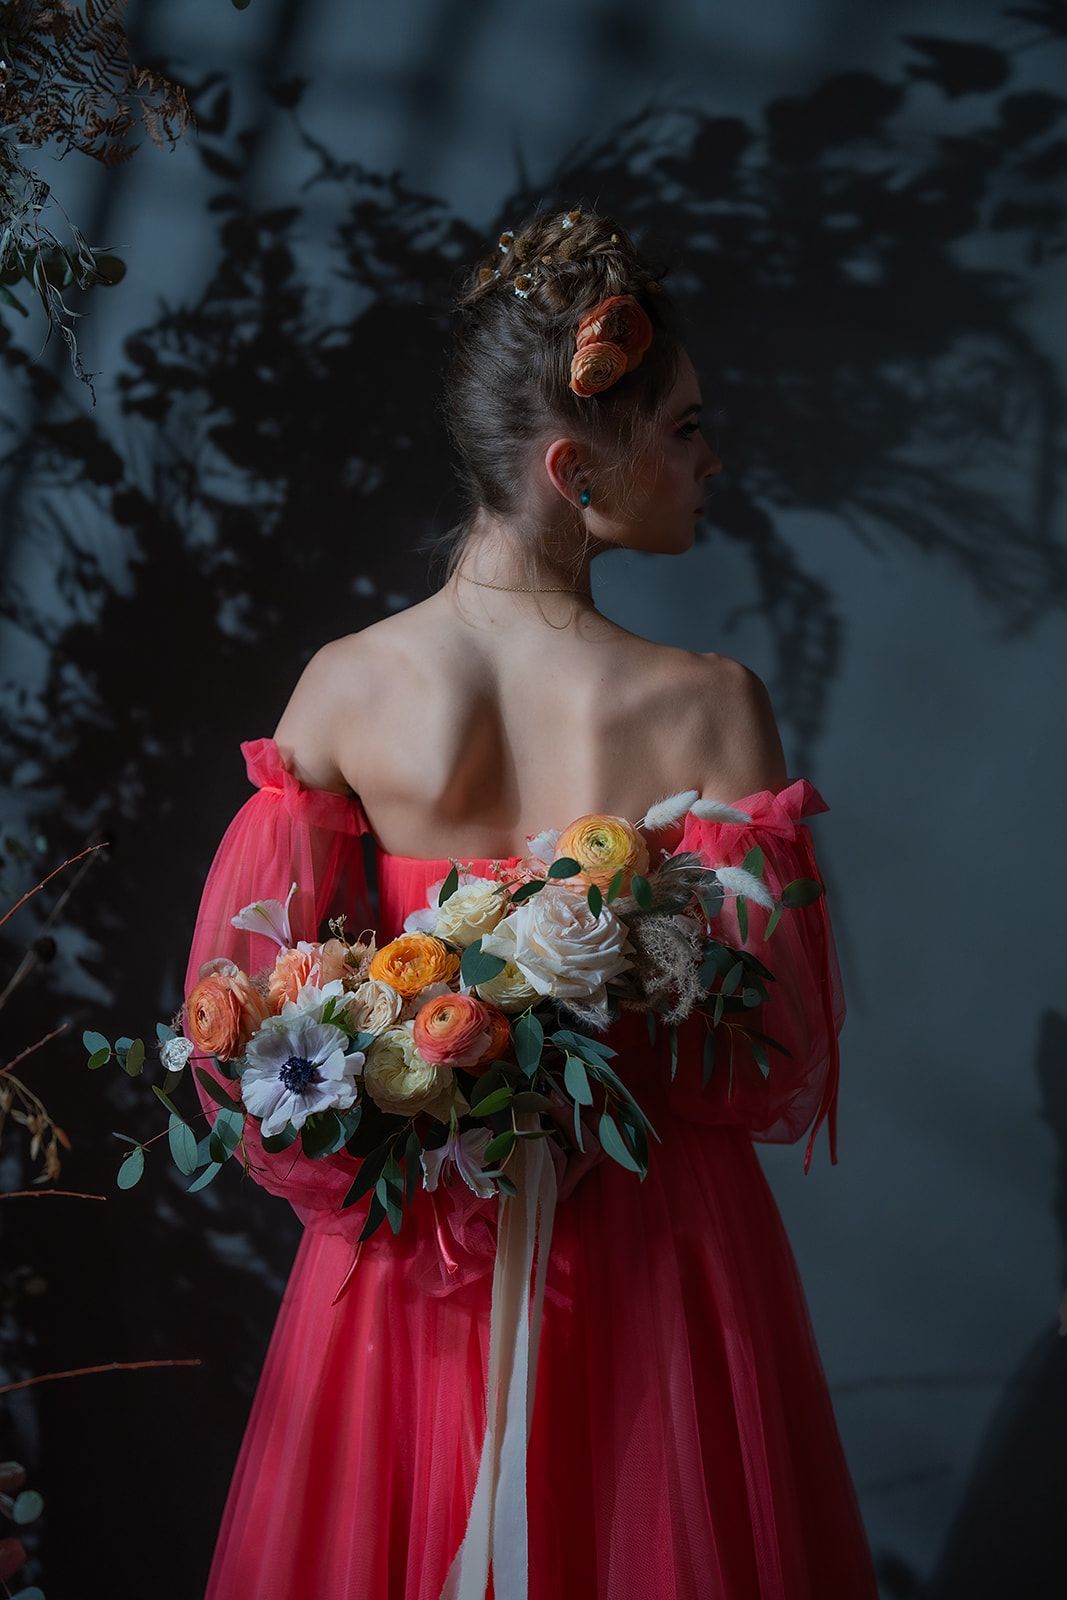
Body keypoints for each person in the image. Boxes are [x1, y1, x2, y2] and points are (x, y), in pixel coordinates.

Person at [184, 205, 879, 1599]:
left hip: (417, 1249)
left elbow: (243, 1039)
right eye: (684, 428)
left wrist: (413, 1071)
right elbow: (766, 1054)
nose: (713, 459)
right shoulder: (710, 707)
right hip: (654, 1248)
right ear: (573, 468)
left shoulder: (345, 686)